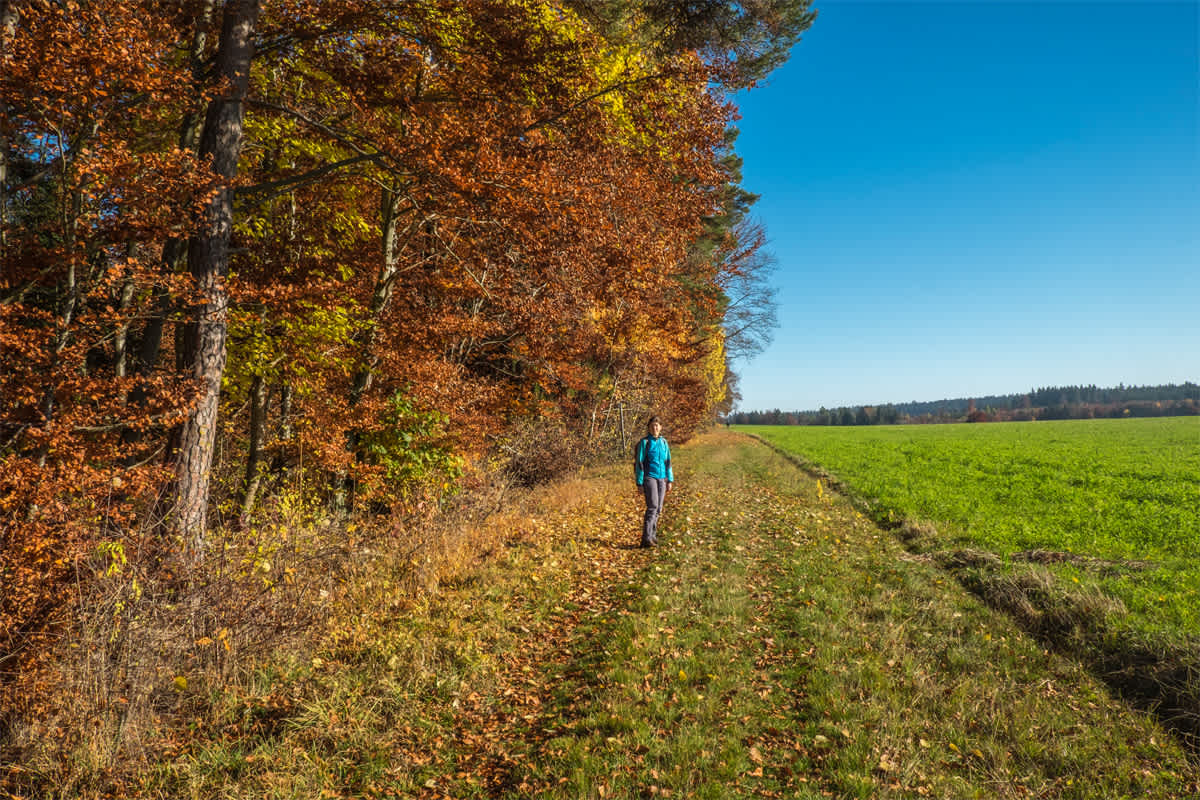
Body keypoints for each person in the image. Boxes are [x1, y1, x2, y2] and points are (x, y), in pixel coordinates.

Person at [633, 415, 674, 548]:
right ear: (649, 428)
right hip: (649, 477)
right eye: (652, 426)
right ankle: (646, 538)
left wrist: (670, 480)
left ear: (660, 427)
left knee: (659, 509)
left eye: (657, 425)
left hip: (662, 478)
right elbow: (639, 463)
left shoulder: (664, 442)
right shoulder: (645, 443)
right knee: (653, 507)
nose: (655, 427)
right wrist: (639, 483)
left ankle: (653, 535)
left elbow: (668, 462)